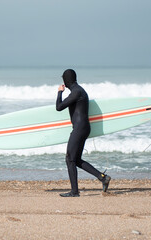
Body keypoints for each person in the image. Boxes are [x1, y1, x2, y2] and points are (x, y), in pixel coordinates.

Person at [56, 69, 111, 197]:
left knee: (69, 159)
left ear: (66, 80)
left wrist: (59, 92)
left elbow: (59, 107)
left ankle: (74, 192)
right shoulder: (79, 90)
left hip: (80, 129)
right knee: (76, 159)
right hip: (83, 128)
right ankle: (103, 177)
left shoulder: (76, 92)